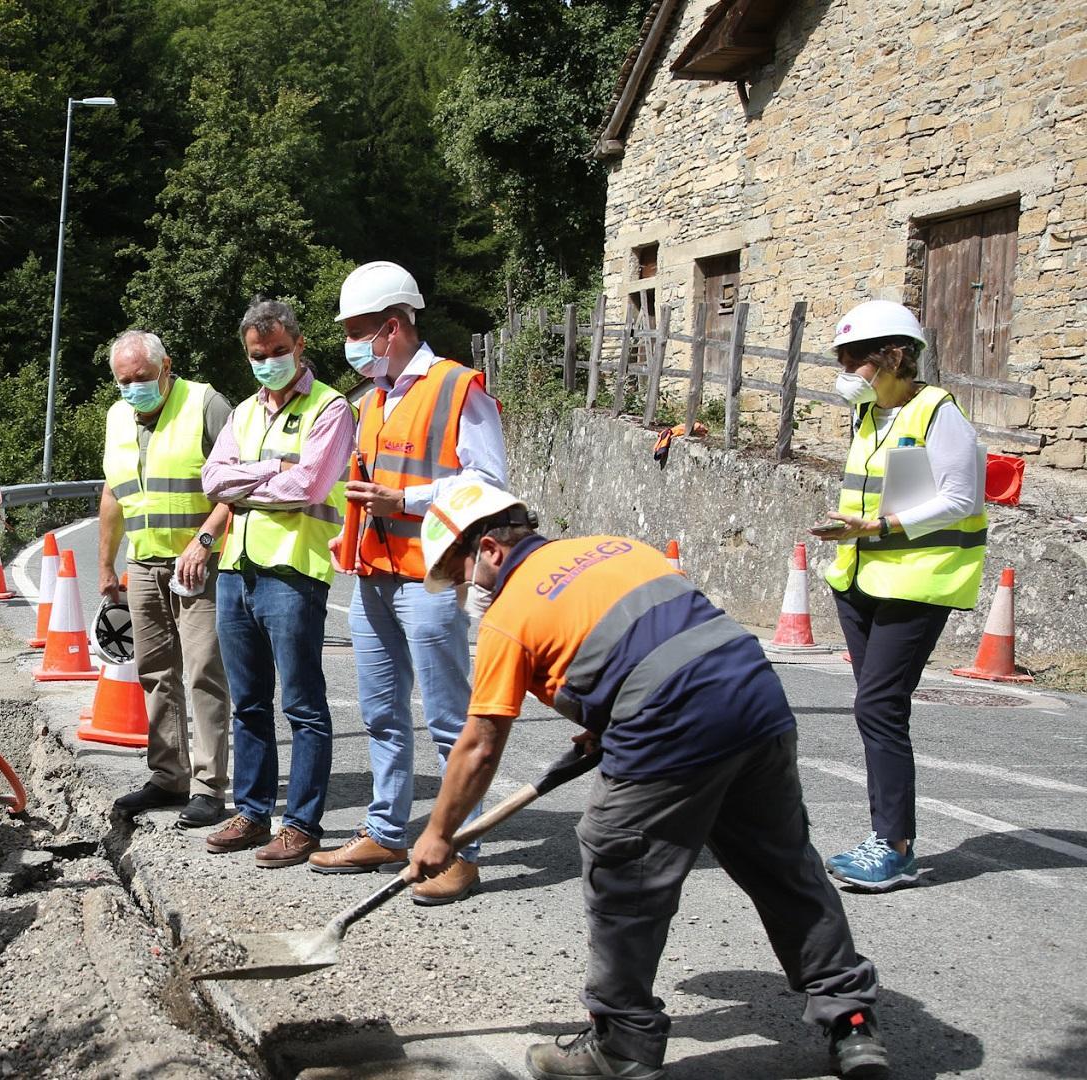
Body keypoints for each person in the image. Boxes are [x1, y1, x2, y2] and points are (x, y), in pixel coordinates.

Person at [411, 477, 887, 1080]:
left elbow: (479, 745)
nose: (466, 589)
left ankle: (623, 1044)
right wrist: (605, 723)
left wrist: (438, 834)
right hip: (754, 700)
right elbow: (660, 638)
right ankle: (851, 1021)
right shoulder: (615, 547)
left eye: (461, 573)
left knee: (621, 867)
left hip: (668, 726)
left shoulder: (508, 617)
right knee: (783, 865)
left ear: (489, 549)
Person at [311, 261, 506, 905]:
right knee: (381, 714)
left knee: (449, 720)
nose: (350, 344)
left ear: (391, 327)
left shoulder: (456, 388)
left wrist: (407, 500)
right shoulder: (371, 400)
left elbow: (489, 483)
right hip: (374, 576)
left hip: (432, 577)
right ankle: (387, 831)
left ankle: (461, 852)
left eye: (356, 331)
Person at [811, 299, 986, 892]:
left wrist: (881, 527)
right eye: (841, 358)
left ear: (892, 356)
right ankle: (888, 839)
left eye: (853, 359)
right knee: (877, 708)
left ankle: (892, 845)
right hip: (859, 580)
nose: (845, 370)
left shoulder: (939, 413)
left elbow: (961, 498)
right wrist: (851, 528)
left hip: (917, 582)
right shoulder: (868, 416)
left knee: (878, 707)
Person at [199, 299, 354, 868]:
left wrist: (246, 482)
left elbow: (307, 488)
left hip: (294, 571)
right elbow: (212, 480)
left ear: (300, 345)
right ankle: (252, 811)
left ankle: (302, 825)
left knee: (303, 704)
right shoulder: (243, 412)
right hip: (236, 570)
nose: (268, 362)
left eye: (278, 351)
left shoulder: (330, 408)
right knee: (248, 703)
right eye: (257, 355)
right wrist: (272, 471)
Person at [98, 330, 235, 827]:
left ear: (166, 367)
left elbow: (238, 485)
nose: (133, 388)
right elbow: (114, 491)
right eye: (124, 381)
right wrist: (106, 563)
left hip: (200, 563)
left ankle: (209, 786)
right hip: (143, 563)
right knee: (154, 670)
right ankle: (168, 775)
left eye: (142, 377)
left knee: (203, 671)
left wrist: (204, 541)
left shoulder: (206, 404)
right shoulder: (117, 416)